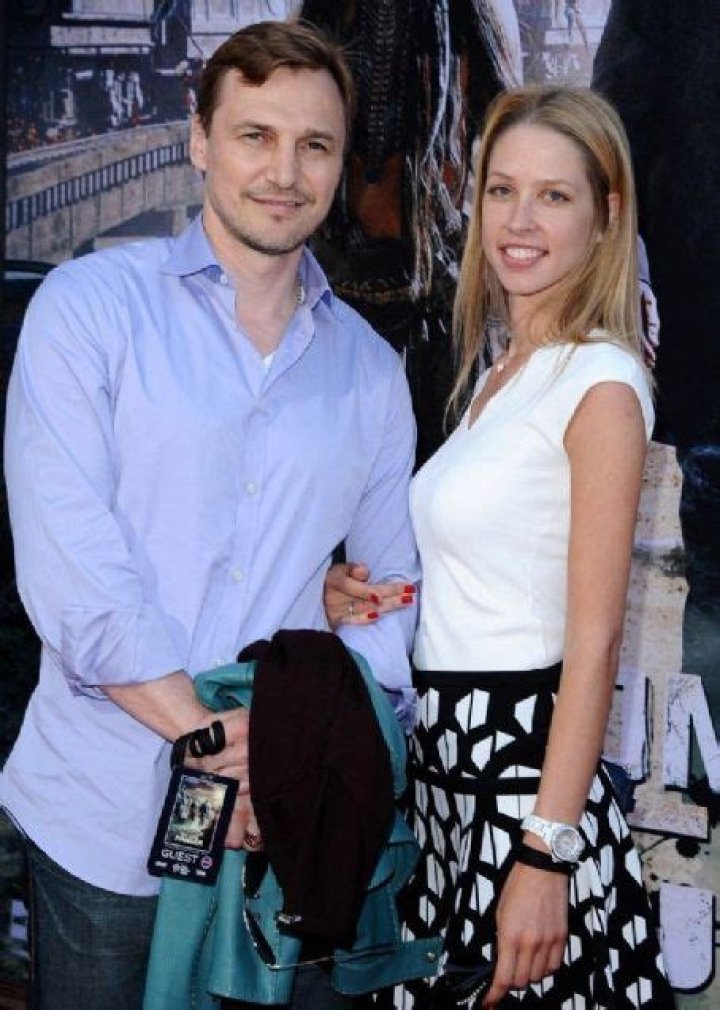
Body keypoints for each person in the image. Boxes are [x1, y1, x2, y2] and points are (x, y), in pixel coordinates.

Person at [0, 21, 419, 1010]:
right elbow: (75, 571)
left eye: (315, 144)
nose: (285, 172)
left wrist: (293, 746)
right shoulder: (89, 309)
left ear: (340, 165)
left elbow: (393, 596)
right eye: (255, 135)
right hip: (104, 822)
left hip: (282, 835)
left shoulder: (369, 371)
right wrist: (212, 745)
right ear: (199, 140)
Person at [325, 85, 675, 1008]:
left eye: (554, 196)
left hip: (520, 789)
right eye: (503, 189)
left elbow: (594, 639)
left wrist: (546, 855)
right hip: (448, 779)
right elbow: (494, 580)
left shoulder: (601, 384)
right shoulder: (501, 375)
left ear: (606, 217)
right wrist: (366, 597)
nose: (519, 221)